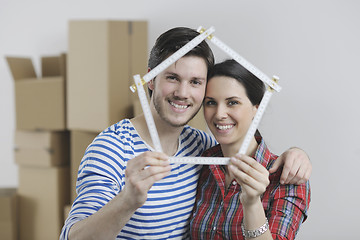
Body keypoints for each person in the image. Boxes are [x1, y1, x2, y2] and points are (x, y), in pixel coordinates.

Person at [60, 27, 311, 240]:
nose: (182, 92)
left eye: (195, 82)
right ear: (150, 79)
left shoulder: (202, 146)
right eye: (172, 77)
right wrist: (128, 201)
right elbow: (73, 236)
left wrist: (296, 154)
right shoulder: (110, 148)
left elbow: (244, 146)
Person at [189, 59, 311, 240]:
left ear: (257, 108)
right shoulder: (201, 161)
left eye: (232, 102)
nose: (219, 114)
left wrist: (251, 203)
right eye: (211, 102)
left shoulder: (288, 178)